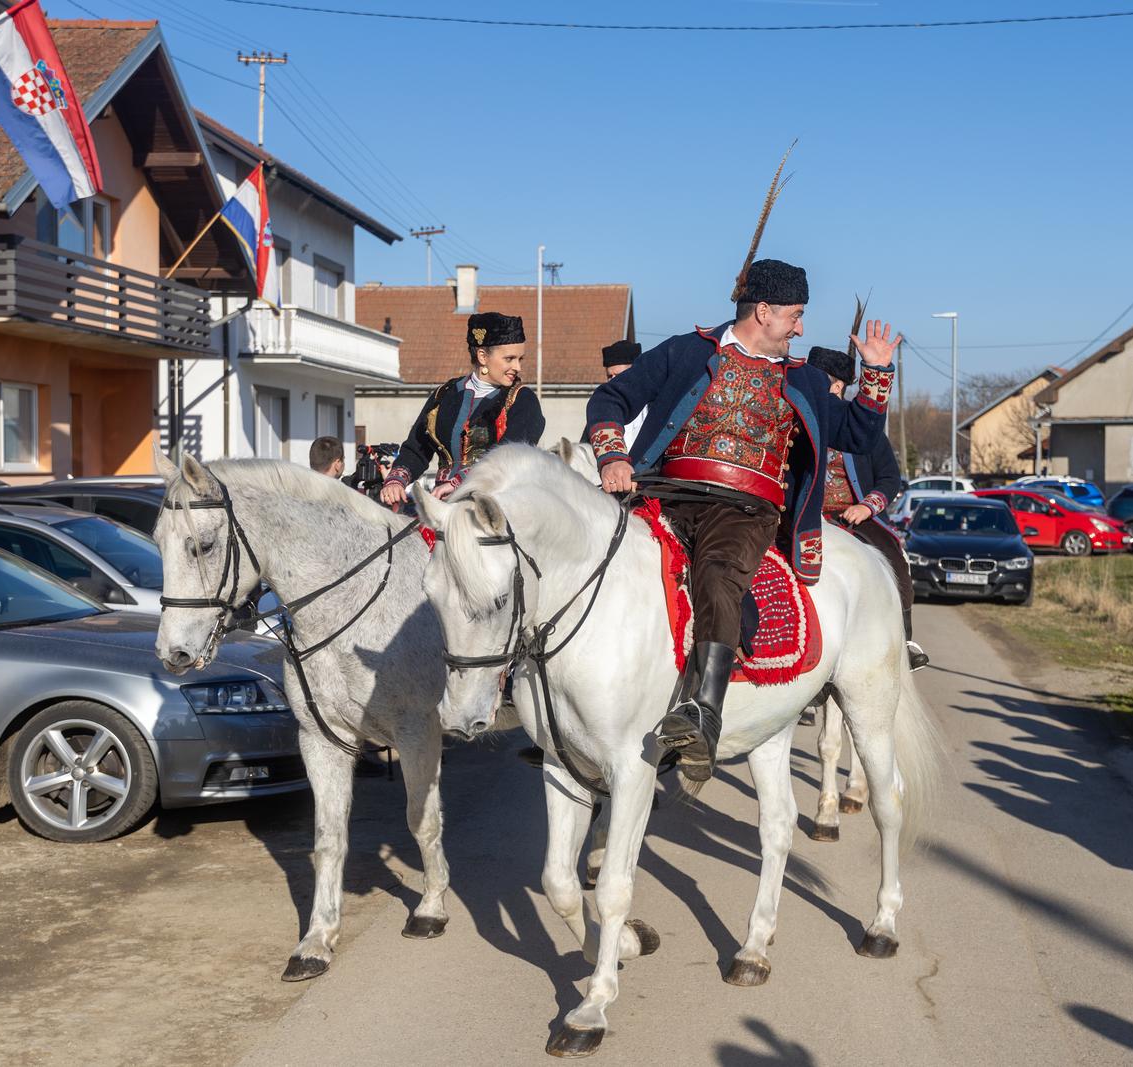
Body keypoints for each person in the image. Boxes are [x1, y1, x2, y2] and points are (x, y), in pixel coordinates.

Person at [586, 258, 898, 782]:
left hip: (746, 509)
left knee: (717, 572)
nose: (801, 329)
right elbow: (612, 397)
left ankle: (703, 715)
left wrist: (877, 375)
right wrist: (613, 455)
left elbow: (860, 435)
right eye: (795, 316)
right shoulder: (687, 351)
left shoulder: (804, 380)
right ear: (764, 311)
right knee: (595, 556)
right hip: (663, 494)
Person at [806, 343, 928, 671]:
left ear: (837, 387)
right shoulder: (799, 419)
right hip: (804, 514)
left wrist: (866, 507)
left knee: (894, 557)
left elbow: (889, 478)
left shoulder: (861, 426)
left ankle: (903, 639)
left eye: (820, 380)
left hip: (852, 516)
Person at [380, 312, 546, 507]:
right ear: (482, 356)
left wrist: (459, 482)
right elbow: (416, 448)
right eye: (509, 359)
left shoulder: (523, 400)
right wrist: (396, 480)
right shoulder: (444, 394)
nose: (517, 367)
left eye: (520, 359)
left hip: (494, 506)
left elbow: (510, 455)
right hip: (441, 502)